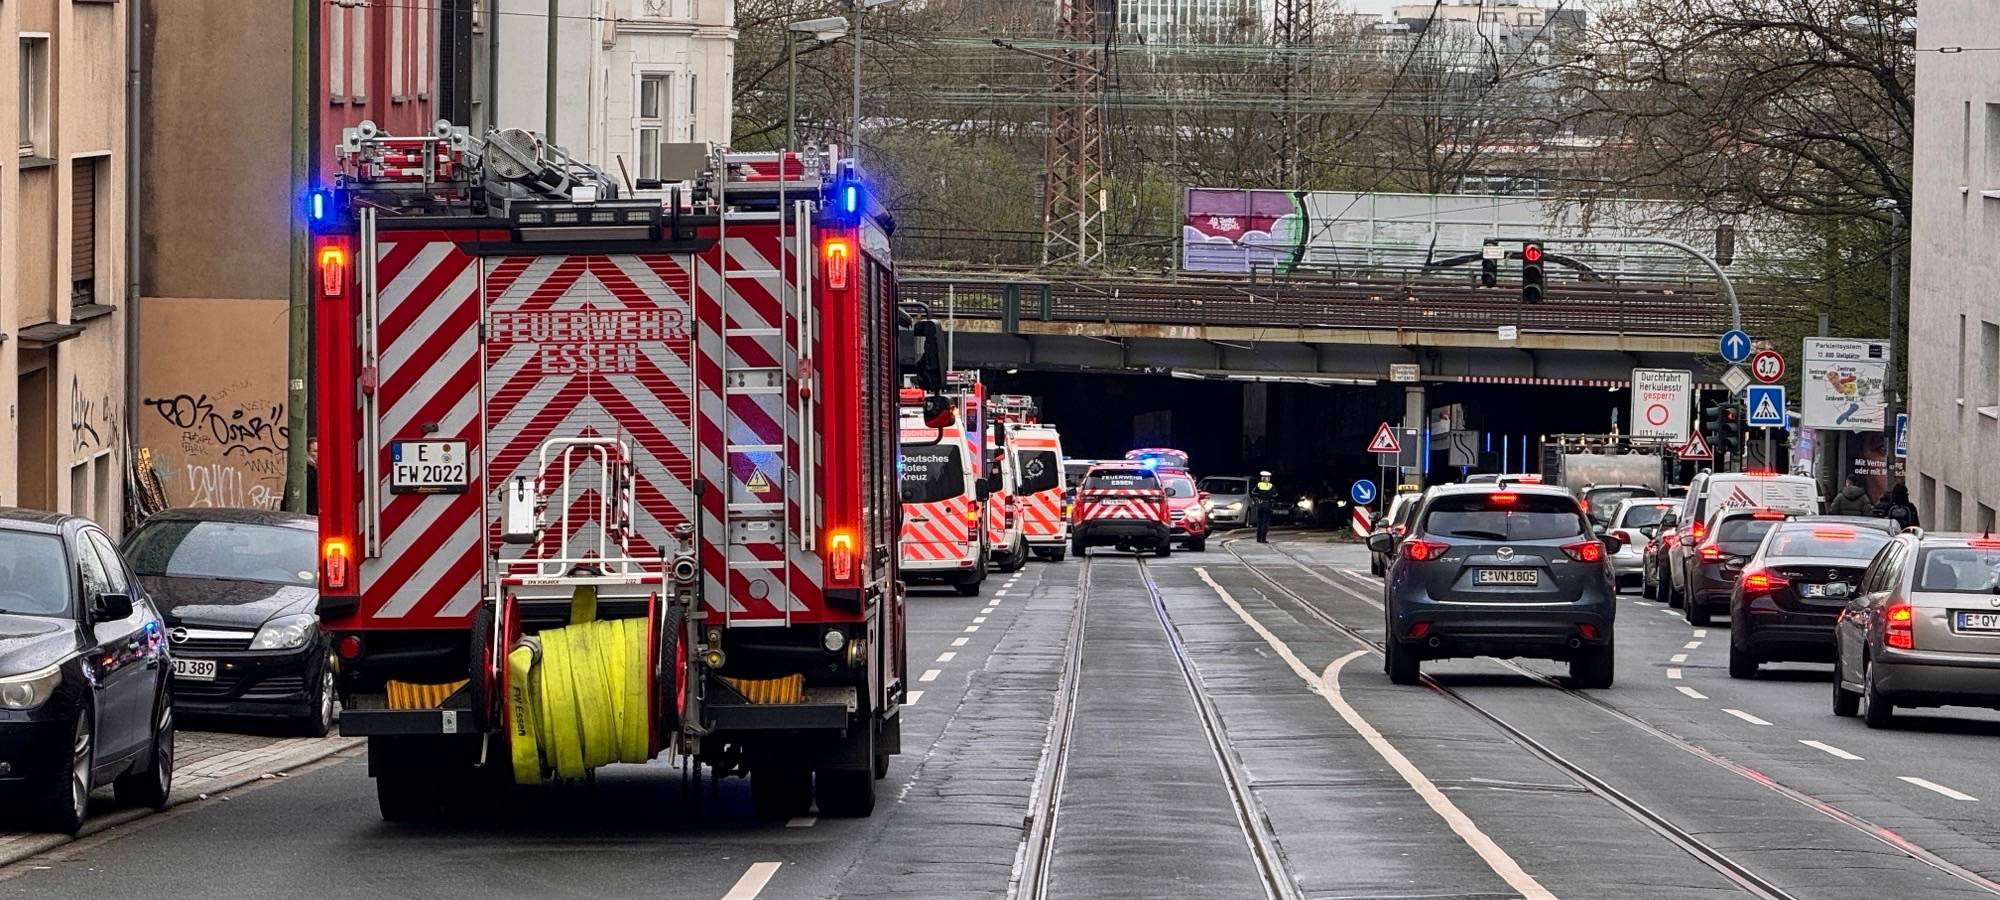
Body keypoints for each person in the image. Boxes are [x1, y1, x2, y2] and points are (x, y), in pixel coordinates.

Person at [1252, 470, 1276, 543]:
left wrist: (1258, 497)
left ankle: (1258, 539)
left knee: (1259, 522)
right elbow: (1275, 495)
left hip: (1260, 504)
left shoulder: (1258, 485)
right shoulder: (1271, 486)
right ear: (1268, 478)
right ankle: (1263, 539)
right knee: (1265, 523)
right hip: (1267, 505)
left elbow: (1253, 492)